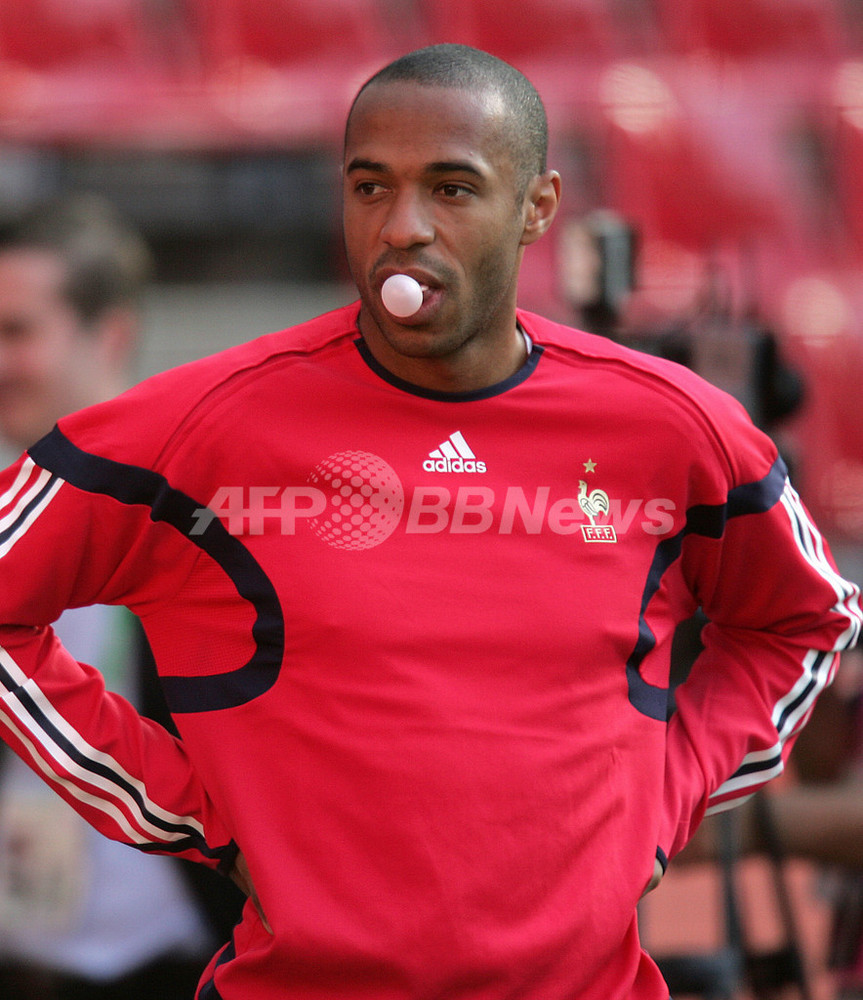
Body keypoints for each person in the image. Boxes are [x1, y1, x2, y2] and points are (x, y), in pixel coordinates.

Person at [0, 44, 857, 1000]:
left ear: (536, 206)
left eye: (451, 189)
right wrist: (179, 809)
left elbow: (805, 618)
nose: (402, 227)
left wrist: (664, 797)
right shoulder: (203, 424)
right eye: (370, 187)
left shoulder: (675, 425)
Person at [0, 195, 243, 999]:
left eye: (17, 332)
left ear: (110, 335)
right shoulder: (8, 516)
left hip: (184, 967)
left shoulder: (203, 520)